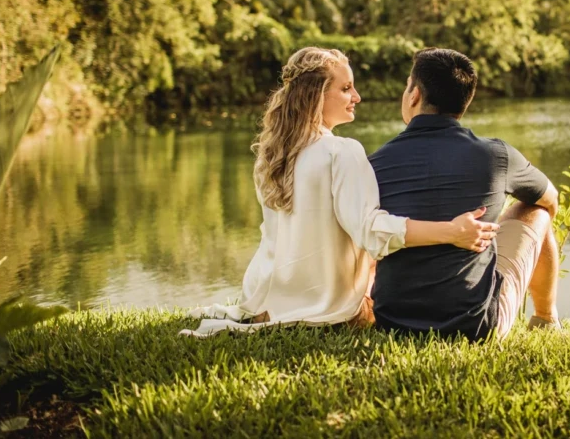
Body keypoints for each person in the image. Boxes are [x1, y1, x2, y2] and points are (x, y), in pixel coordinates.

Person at [182, 47, 497, 337]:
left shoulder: (271, 155)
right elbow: (372, 232)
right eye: (346, 88)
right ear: (315, 96)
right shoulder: (340, 152)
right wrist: (452, 232)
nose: (357, 97)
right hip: (326, 307)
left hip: (267, 297)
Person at [369, 48, 561, 341]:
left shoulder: (374, 163)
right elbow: (550, 198)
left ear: (414, 95)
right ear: (464, 102)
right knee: (537, 210)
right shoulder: (496, 155)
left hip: (391, 320)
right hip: (475, 326)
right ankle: (546, 318)